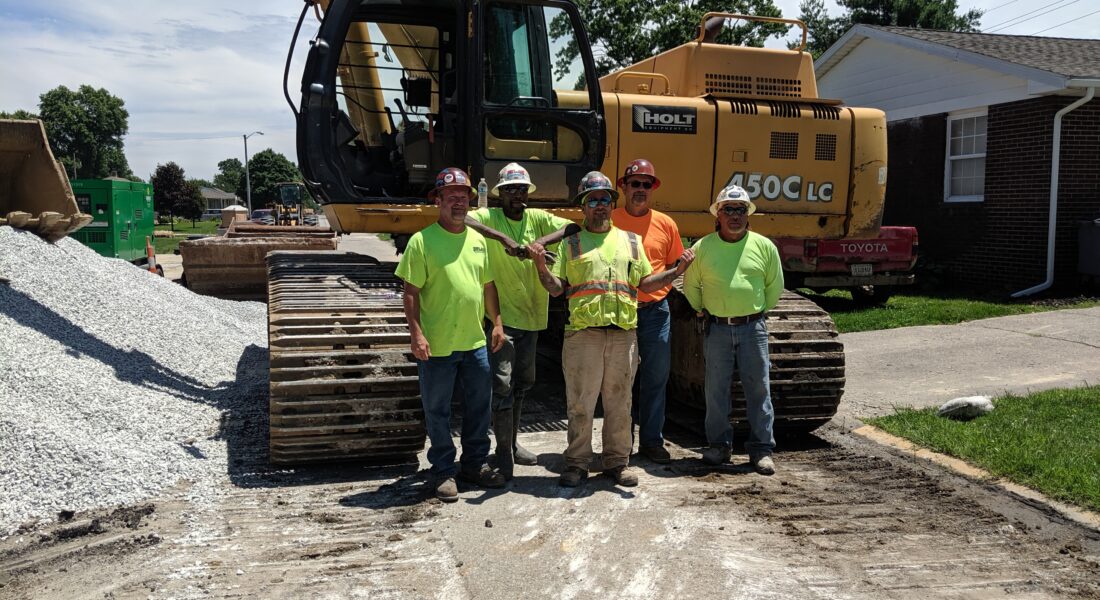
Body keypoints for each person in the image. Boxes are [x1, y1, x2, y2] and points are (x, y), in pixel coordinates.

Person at [528, 171, 694, 488]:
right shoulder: (572, 244)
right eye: (593, 200)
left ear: (611, 203)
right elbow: (555, 289)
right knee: (580, 403)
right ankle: (577, 464)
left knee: (620, 404)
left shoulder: (630, 242)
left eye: (605, 199)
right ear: (583, 207)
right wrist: (539, 266)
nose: (600, 205)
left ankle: (617, 463)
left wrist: (675, 272)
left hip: (623, 336)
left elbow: (645, 282)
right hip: (583, 336)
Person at [395, 167, 508, 502]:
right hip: (438, 345)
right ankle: (444, 470)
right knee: (438, 410)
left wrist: (497, 322)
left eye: (465, 196)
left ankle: (474, 463)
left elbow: (488, 286)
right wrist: (416, 334)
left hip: (474, 342)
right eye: (452, 196)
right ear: (439, 200)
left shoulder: (478, 241)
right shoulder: (421, 242)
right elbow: (410, 292)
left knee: (478, 408)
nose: (459, 202)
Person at [469, 162, 574, 479]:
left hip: (532, 317)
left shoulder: (538, 219)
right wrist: (504, 240)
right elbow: (467, 220)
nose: (517, 195)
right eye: (511, 189)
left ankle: (511, 444)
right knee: (502, 385)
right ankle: (502, 453)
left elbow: (573, 227)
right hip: (503, 319)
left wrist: (540, 243)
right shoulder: (491, 217)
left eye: (521, 189)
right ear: (500, 194)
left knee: (523, 385)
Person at [681, 185, 784, 475]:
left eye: (740, 210)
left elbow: (774, 287)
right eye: (728, 210)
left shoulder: (764, 247)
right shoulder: (703, 247)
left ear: (747, 215)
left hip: (753, 328)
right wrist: (702, 308)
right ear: (718, 215)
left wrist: (756, 309)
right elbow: (691, 285)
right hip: (718, 329)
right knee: (716, 390)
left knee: (759, 388)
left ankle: (762, 449)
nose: (735, 216)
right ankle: (718, 446)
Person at [611, 159, 685, 464]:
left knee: (655, 378)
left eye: (646, 184)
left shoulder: (666, 224)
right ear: (624, 188)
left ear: (651, 189)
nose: (640, 189)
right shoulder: (610, 220)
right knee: (620, 379)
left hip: (656, 311)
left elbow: (675, 265)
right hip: (620, 310)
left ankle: (652, 441)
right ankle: (621, 443)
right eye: (635, 184)